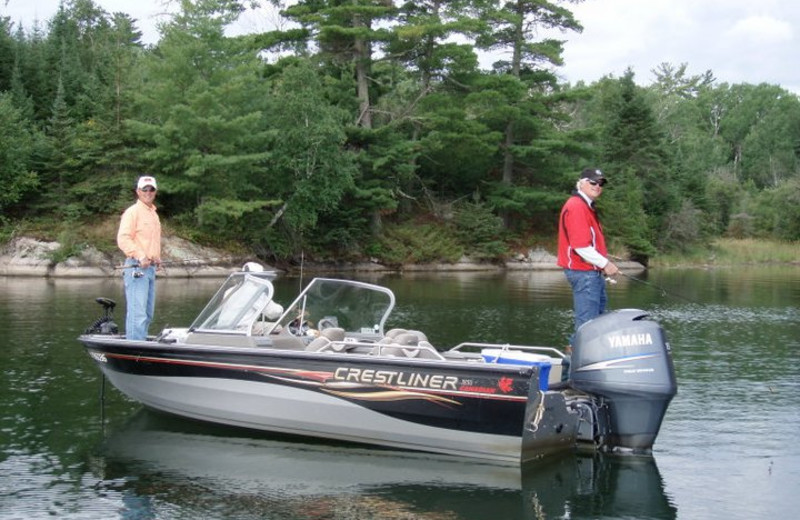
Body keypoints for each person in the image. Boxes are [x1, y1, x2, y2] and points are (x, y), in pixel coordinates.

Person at [557, 168, 619, 346]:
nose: (597, 186)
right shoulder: (577, 206)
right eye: (593, 182)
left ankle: (578, 365)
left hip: (591, 273)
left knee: (595, 325)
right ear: (581, 183)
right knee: (587, 326)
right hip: (583, 274)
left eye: (600, 183)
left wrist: (603, 265)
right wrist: (606, 264)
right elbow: (581, 246)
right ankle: (571, 369)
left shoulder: (586, 207)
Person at [117, 175, 162, 340]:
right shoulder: (132, 212)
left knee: (148, 314)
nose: (148, 192)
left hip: (150, 269)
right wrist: (141, 255)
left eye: (151, 189)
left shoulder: (154, 214)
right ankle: (135, 349)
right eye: (145, 189)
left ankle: (140, 343)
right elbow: (123, 239)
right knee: (138, 314)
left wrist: (156, 258)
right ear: (138, 191)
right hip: (136, 268)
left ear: (155, 192)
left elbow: (150, 242)